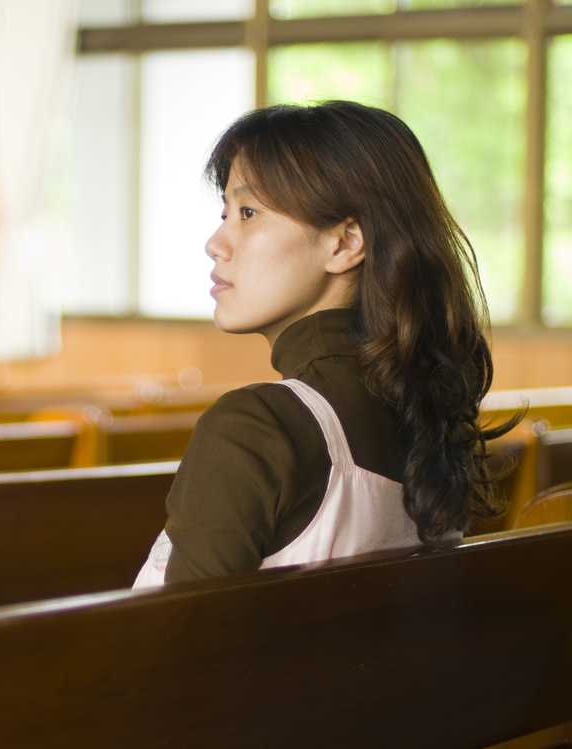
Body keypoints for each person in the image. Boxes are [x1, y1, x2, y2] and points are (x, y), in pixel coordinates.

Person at [133, 100, 519, 587]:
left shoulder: (255, 427)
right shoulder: (430, 421)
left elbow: (179, 652)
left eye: (248, 213)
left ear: (344, 243)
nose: (216, 242)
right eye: (225, 212)